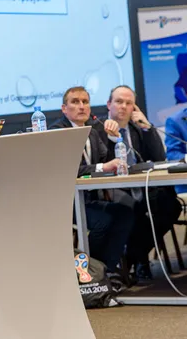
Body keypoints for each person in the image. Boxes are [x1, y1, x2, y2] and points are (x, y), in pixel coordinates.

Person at [93, 85, 181, 281]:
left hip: (142, 186)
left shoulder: (137, 129)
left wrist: (147, 128)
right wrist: (111, 138)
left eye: (129, 103)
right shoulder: (97, 130)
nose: (123, 107)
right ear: (108, 104)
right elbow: (99, 163)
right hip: (113, 189)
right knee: (133, 208)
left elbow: (159, 157)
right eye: (119, 102)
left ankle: (133, 256)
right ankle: (139, 260)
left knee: (171, 205)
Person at [50, 87, 133, 282]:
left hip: (89, 198)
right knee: (102, 222)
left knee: (125, 213)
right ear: (64, 108)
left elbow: (107, 161)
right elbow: (70, 169)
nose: (81, 106)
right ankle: (90, 272)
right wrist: (104, 166)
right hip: (67, 203)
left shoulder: (92, 132)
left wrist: (113, 140)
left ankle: (106, 271)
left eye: (85, 102)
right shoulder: (57, 132)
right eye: (75, 102)